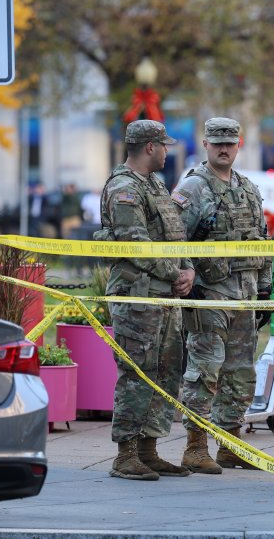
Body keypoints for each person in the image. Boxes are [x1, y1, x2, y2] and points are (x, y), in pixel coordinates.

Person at [95, 120, 197, 481]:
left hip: (164, 297)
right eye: (164, 145)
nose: (168, 152)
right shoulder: (124, 189)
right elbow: (136, 245)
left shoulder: (153, 184)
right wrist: (176, 273)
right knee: (137, 374)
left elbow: (174, 234)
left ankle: (148, 450)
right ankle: (125, 454)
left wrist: (188, 270)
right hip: (137, 299)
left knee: (165, 372)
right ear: (150, 147)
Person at [172, 117, 272, 473]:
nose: (224, 148)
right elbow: (174, 239)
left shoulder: (248, 188)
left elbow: (262, 238)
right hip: (210, 295)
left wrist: (265, 287)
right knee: (204, 370)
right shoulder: (193, 188)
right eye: (217, 142)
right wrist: (186, 271)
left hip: (244, 295)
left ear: (239, 144)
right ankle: (195, 447)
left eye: (230, 142)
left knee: (240, 372)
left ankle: (230, 444)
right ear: (206, 144)